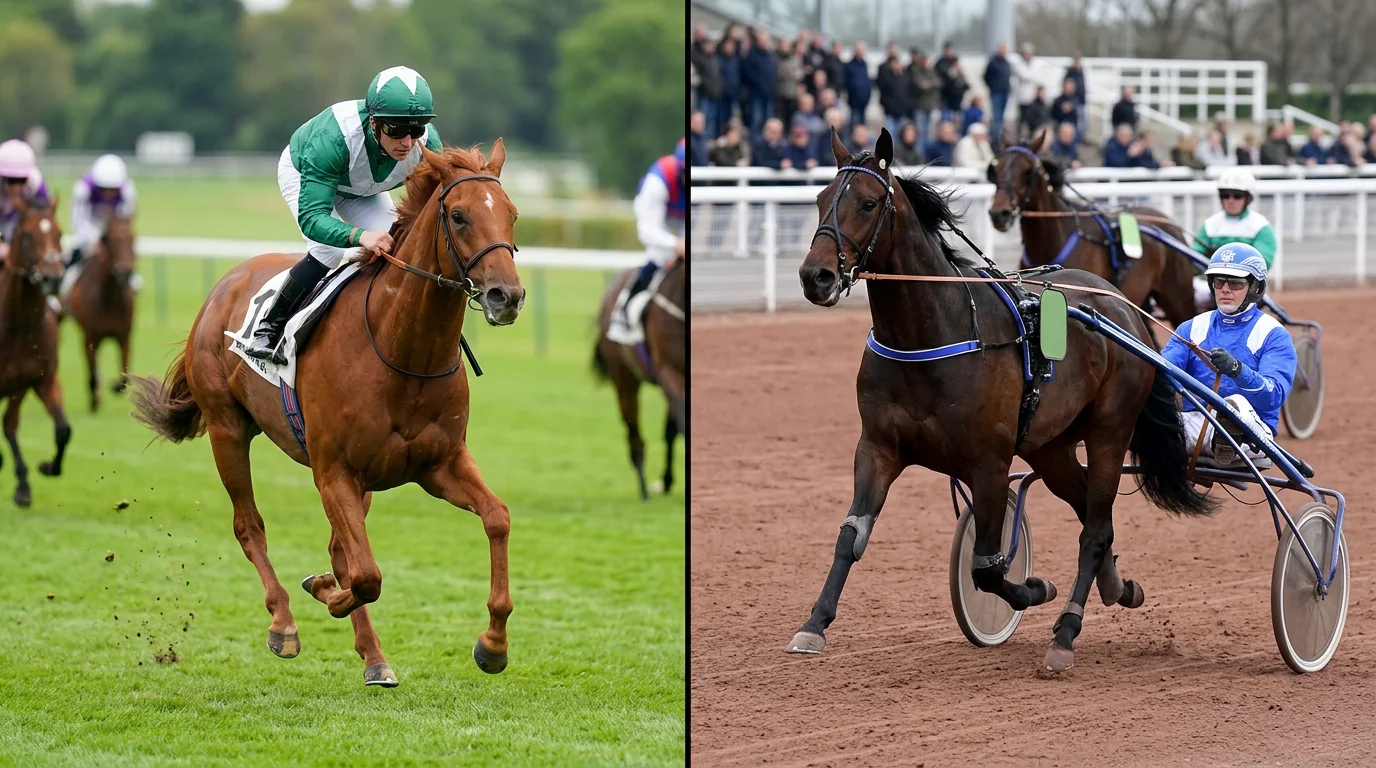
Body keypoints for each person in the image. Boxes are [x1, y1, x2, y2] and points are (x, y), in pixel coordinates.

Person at [244, 66, 443, 365]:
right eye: (396, 129)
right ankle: (267, 329)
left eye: (416, 129)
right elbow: (312, 219)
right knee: (329, 250)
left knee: (399, 244)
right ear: (374, 122)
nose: (406, 142)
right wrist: (360, 236)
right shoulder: (333, 139)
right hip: (306, 173)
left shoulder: (427, 145)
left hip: (362, 189)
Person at [1162, 244, 1295, 468]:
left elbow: (1273, 396)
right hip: (1194, 427)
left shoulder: (1272, 334)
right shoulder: (1192, 327)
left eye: (1235, 283)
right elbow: (1165, 372)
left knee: (1235, 404)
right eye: (1218, 282)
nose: (1225, 289)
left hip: (1252, 434)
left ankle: (1226, 435)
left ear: (1255, 288)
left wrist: (1238, 370)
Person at [607, 139, 686, 344]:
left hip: (680, 216)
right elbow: (648, 231)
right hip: (655, 216)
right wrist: (675, 246)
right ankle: (623, 314)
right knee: (659, 257)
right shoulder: (657, 182)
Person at [62, 153, 143, 302]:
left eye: (113, 189)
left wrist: (114, 233)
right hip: (89, 226)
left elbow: (125, 219)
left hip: (112, 227)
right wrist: (93, 240)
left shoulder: (127, 189)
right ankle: (65, 282)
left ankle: (131, 277)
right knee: (77, 250)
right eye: (104, 188)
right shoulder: (83, 187)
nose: (109, 193)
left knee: (122, 249)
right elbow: (78, 219)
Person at [1189, 168, 1276, 308]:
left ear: (1248, 198)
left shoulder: (1260, 226)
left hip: (1246, 287)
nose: (1230, 200)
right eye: (1225, 195)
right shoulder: (1210, 225)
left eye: (1237, 196)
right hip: (1212, 285)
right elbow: (1192, 263)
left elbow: (1263, 263)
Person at [0, 139, 51, 270]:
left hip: (19, 222)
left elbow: (45, 217)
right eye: (11, 181)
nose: (16, 188)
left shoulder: (36, 182)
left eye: (21, 181)